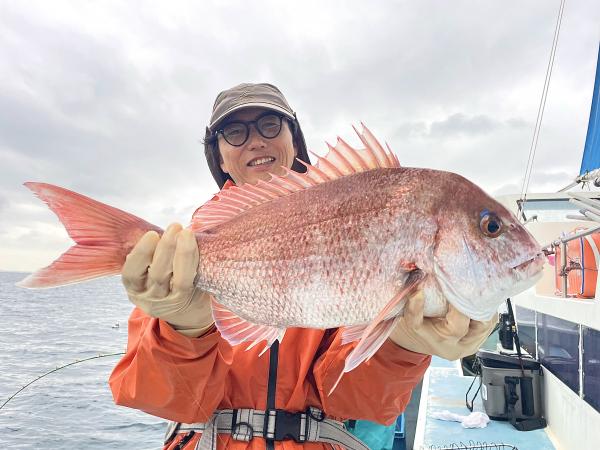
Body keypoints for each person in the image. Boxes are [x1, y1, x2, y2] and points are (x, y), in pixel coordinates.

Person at [109, 83, 495, 450]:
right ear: (220, 157)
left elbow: (352, 401)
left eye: (269, 124)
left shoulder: (347, 218)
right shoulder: (179, 257)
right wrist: (183, 330)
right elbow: (157, 398)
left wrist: (403, 346)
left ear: (294, 140)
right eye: (235, 132)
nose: (255, 140)